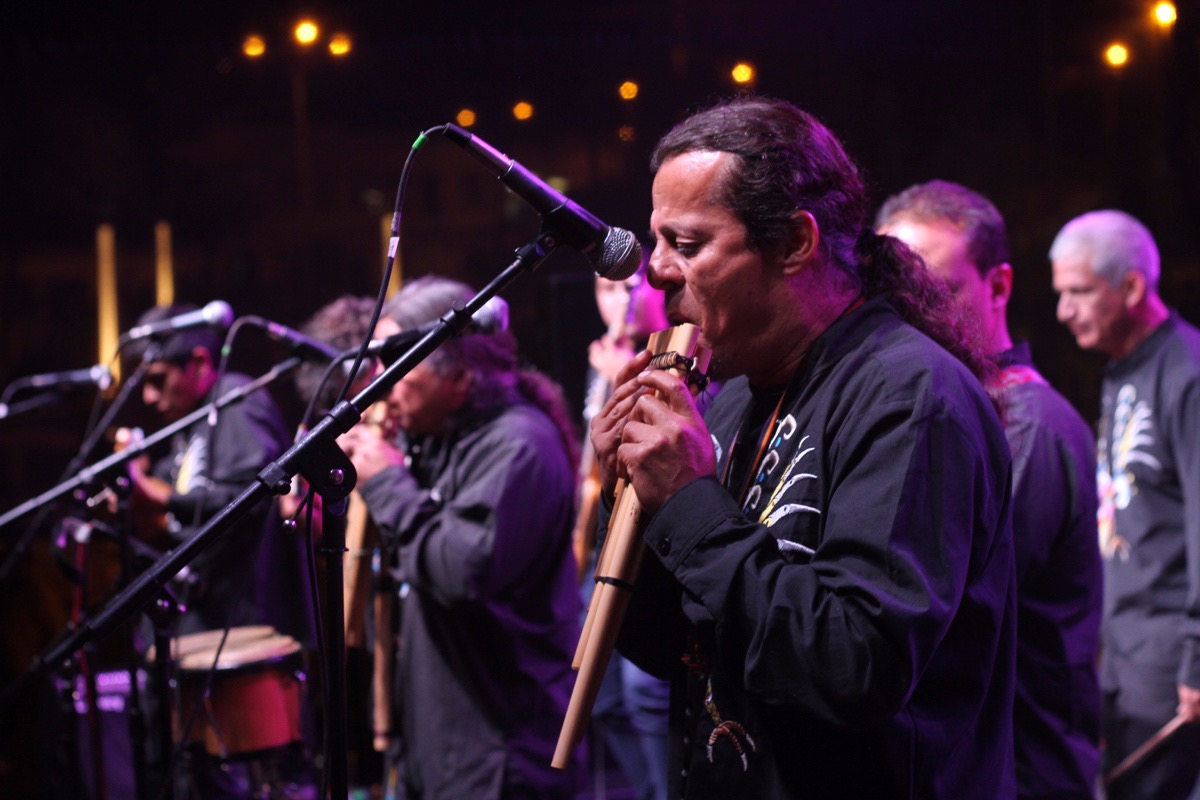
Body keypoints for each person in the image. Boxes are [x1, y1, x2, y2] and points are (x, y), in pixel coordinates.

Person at [590, 96, 1016, 798]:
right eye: (657, 241)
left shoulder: (912, 396)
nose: (654, 271)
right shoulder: (732, 396)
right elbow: (672, 648)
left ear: (793, 244)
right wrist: (628, 496)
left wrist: (691, 503)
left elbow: (855, 666)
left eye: (686, 245)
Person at [877, 180, 1102, 799]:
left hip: (1023, 770)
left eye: (938, 292)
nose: (909, 314)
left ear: (998, 286)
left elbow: (937, 609)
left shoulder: (1027, 424)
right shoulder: (953, 403)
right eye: (893, 294)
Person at [338, 276, 582, 799]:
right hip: (436, 734)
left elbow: (460, 572)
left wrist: (386, 482)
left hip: (501, 748)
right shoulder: (435, 436)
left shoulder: (518, 445)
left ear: (460, 375)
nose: (381, 382)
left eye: (400, 366)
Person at [122, 302, 314, 799]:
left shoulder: (237, 401)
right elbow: (182, 513)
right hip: (204, 630)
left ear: (200, 363)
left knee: (256, 779)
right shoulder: (191, 425)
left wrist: (160, 495)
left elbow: (252, 495)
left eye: (159, 380)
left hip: (245, 630)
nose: (149, 397)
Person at [1049, 210, 1200, 800]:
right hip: (1126, 651)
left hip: (1170, 658)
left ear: (1132, 286)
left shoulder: (1187, 374)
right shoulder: (1123, 371)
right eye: (1061, 293)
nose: (1064, 311)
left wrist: (1196, 660)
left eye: (1080, 292)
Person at [579, 266, 672, 800]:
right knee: (603, 698)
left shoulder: (677, 354)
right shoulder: (602, 355)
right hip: (605, 535)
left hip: (654, 545)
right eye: (607, 289)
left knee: (646, 693)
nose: (620, 301)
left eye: (630, 288)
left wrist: (623, 378)